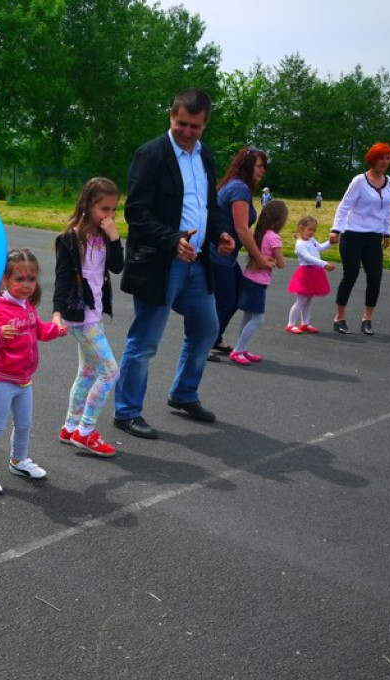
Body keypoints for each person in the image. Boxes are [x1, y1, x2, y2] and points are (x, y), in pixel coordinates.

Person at [113, 88, 235, 439]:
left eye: (195, 126)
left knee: (206, 328)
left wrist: (220, 234)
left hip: (197, 262)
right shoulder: (150, 155)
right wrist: (173, 239)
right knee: (146, 338)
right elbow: (135, 213)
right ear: (171, 116)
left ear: (205, 124)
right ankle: (127, 411)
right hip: (160, 263)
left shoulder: (205, 157)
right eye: (181, 123)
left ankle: (183, 393)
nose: (187, 131)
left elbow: (210, 207)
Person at [0, 248, 67, 494]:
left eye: (31, 279)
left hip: (24, 380)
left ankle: (18, 461)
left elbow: (39, 331)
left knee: (24, 425)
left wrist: (56, 329)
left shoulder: (27, 306)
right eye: (19, 279)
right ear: (5, 280)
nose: (26, 285)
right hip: (0, 379)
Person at [52, 177, 125, 457]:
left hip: (93, 315)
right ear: (87, 205)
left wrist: (115, 236)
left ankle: (70, 426)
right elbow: (62, 279)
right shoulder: (72, 237)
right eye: (104, 209)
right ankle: (85, 431)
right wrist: (58, 312)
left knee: (88, 372)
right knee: (110, 372)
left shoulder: (104, 235)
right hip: (79, 317)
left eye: (113, 209)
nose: (109, 215)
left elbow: (117, 267)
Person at [329, 142, 390, 336]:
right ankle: (339, 317)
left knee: (375, 277)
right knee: (351, 275)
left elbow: (387, 209)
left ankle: (367, 319)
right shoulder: (359, 180)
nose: (384, 162)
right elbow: (344, 206)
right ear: (372, 159)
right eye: (381, 158)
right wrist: (336, 230)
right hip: (353, 234)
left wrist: (386, 232)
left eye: (387, 158)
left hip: (374, 236)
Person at [213, 146, 269, 358]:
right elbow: (241, 228)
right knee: (227, 299)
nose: (263, 170)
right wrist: (259, 257)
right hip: (218, 253)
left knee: (233, 296)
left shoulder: (234, 185)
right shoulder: (239, 189)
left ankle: (214, 338)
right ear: (248, 166)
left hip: (224, 255)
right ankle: (206, 342)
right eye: (260, 166)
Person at [230, 200, 287, 365]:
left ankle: (242, 348)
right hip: (258, 282)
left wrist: (268, 260)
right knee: (258, 319)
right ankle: (238, 350)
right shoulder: (274, 238)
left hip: (248, 277)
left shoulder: (259, 234)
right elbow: (282, 263)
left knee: (248, 316)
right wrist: (273, 261)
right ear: (280, 220)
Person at [286, 215, 336, 333]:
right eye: (310, 229)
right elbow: (308, 258)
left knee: (308, 300)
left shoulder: (312, 240)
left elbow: (319, 248)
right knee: (301, 300)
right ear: (301, 228)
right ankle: (291, 324)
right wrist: (324, 264)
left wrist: (330, 242)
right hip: (305, 274)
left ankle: (305, 323)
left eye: (314, 230)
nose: (312, 232)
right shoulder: (300, 244)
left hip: (314, 273)